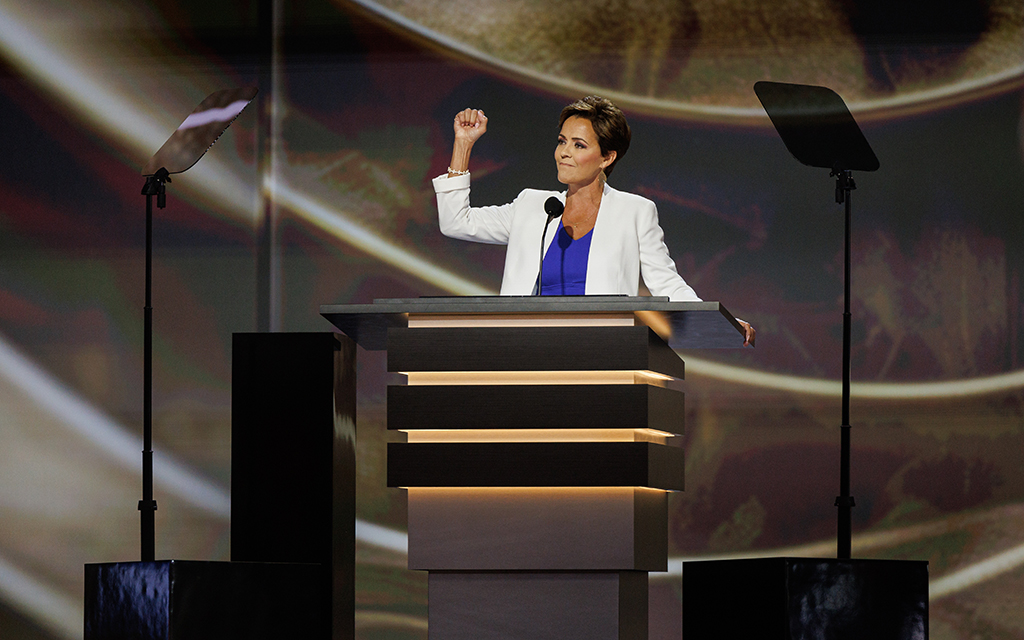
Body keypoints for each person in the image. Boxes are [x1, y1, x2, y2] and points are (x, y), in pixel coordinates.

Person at [433, 95, 755, 346]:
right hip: (526, 352)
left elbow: (666, 283)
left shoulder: (635, 212)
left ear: (607, 157)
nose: (564, 153)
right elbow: (456, 222)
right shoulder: (533, 205)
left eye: (578, 145)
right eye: (562, 141)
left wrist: (719, 321)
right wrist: (463, 144)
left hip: (601, 355)